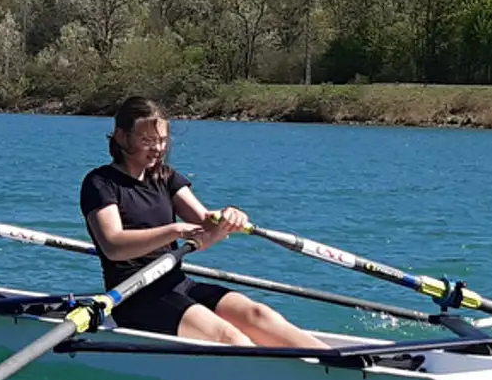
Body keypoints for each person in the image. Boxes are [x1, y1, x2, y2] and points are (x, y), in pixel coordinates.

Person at [79, 95, 322, 348]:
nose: (158, 148)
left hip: (177, 283)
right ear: (121, 137)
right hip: (134, 295)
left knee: (259, 314)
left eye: (162, 140)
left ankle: (339, 362)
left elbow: (205, 222)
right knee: (229, 337)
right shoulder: (100, 183)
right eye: (147, 140)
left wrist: (230, 215)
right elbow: (114, 246)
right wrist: (173, 231)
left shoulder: (164, 177)